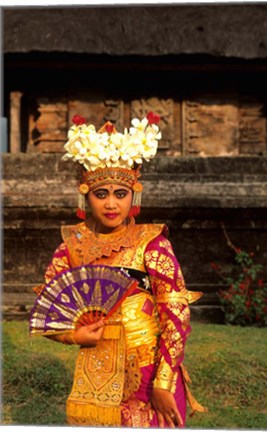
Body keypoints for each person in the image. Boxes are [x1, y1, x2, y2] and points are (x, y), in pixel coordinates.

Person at [31, 112, 207, 428]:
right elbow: (49, 308)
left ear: (133, 195)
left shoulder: (151, 243)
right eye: (101, 194)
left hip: (151, 370)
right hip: (96, 373)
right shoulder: (71, 247)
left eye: (120, 194)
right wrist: (74, 335)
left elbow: (176, 316)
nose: (112, 204)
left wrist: (163, 382)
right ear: (86, 196)